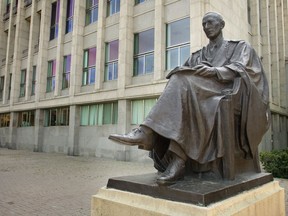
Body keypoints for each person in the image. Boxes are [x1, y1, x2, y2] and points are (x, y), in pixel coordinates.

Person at [109, 12, 270, 185]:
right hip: (199, 96)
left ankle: (150, 136)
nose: (206, 27)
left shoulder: (239, 47)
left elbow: (246, 70)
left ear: (221, 24)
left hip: (226, 93)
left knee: (188, 90)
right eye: (203, 24)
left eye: (210, 22)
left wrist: (215, 71)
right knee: (180, 82)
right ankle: (174, 157)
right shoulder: (197, 55)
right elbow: (182, 74)